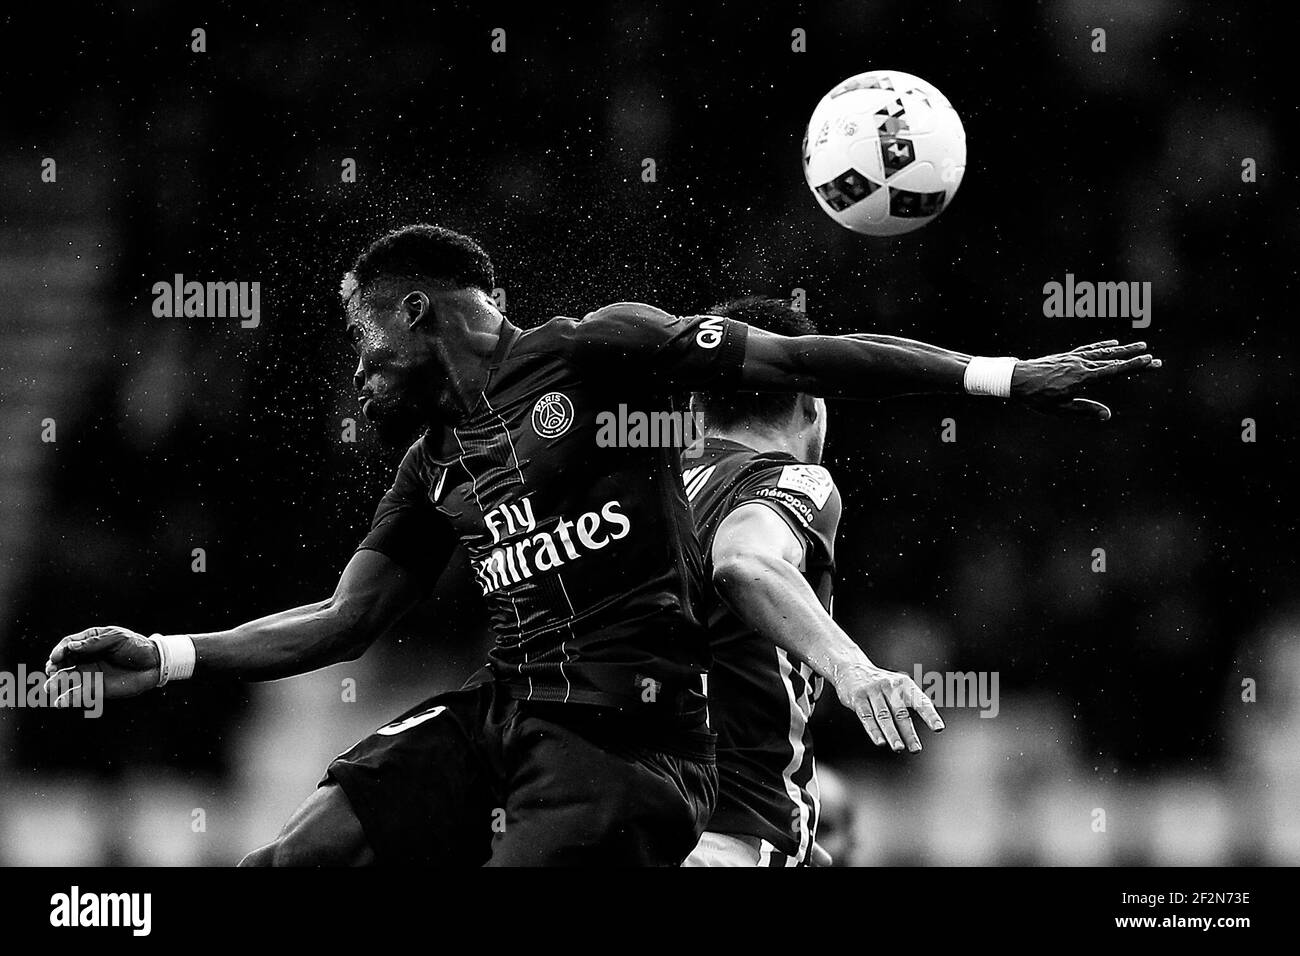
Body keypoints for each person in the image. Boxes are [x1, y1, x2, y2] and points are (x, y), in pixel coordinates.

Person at [42, 224, 1159, 866]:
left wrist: (999, 377)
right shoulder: (433, 464)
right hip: (501, 710)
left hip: (628, 735)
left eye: (364, 336)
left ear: (419, 310)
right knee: (290, 859)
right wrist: (170, 649)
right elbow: (343, 622)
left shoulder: (596, 353)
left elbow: (796, 364)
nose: (358, 369)